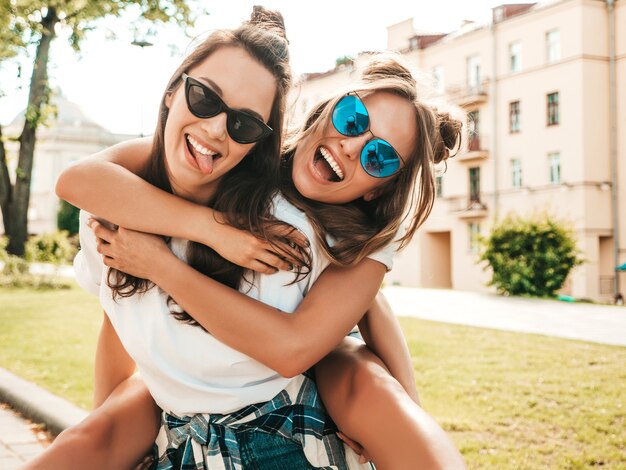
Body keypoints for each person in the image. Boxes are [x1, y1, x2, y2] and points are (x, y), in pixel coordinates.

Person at [26, 9, 466, 470]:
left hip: (300, 377)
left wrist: (408, 406)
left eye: (379, 157)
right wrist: (210, 231)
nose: (352, 145)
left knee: (356, 368)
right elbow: (117, 302)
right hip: (190, 397)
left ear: (380, 186)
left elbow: (360, 313)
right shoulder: (236, 163)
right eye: (353, 118)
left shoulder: (359, 236)